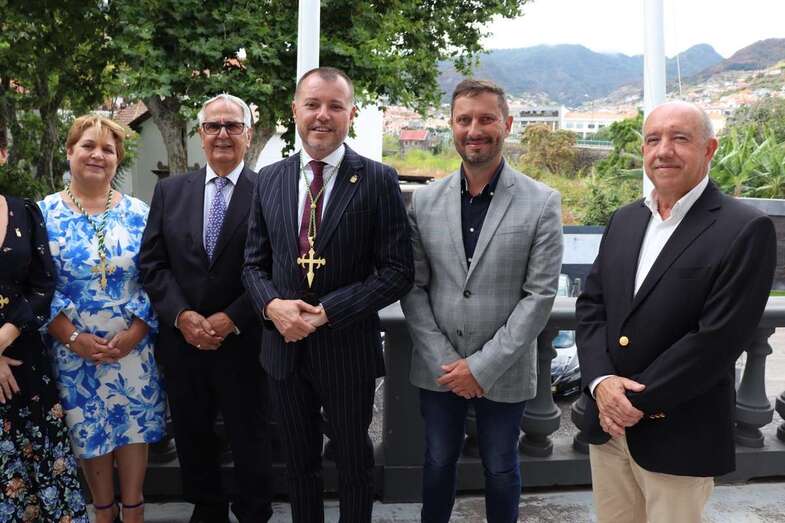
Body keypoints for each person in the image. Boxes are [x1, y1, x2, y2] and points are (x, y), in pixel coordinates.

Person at [575, 101, 777, 523]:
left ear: (709, 149)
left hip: (679, 433)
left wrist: (629, 402)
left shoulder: (744, 228)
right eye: (653, 139)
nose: (663, 150)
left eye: (680, 138)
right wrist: (601, 383)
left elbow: (717, 339)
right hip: (609, 429)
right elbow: (592, 306)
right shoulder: (624, 220)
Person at [242, 66, 413, 523]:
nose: (323, 115)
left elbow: (398, 271)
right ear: (295, 110)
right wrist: (272, 306)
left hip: (347, 351)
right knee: (298, 465)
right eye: (312, 104)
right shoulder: (269, 178)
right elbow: (253, 264)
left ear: (350, 115)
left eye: (335, 106)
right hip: (283, 350)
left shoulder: (377, 179)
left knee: (354, 464)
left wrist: (326, 312)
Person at [400, 79, 563, 523]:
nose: (475, 130)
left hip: (504, 369)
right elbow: (413, 287)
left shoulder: (542, 202)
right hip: (439, 368)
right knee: (437, 461)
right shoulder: (423, 202)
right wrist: (448, 361)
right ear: (451, 126)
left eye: (486, 119)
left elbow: (540, 295)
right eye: (464, 120)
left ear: (506, 125)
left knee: (501, 466)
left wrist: (482, 366)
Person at [139, 94, 273, 523]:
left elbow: (278, 268)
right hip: (184, 343)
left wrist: (233, 317)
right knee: (192, 434)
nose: (222, 134)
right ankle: (208, 508)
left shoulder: (270, 192)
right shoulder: (169, 191)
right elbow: (153, 264)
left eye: (232, 126)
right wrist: (182, 316)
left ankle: (254, 511)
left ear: (248, 134)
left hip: (246, 342)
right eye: (213, 126)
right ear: (200, 134)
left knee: (251, 437)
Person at [39, 115, 166, 523]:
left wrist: (137, 331)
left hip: (132, 349)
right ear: (69, 152)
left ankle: (134, 512)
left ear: (118, 159)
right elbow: (36, 284)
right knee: (89, 431)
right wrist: (72, 336)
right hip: (74, 352)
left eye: (107, 149)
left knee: (133, 430)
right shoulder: (42, 215)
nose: (97, 155)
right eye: (88, 146)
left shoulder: (141, 213)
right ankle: (104, 514)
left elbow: (158, 276)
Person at [0, 129, 89, 522]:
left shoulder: (24, 211)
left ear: (3, 154)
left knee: (48, 479)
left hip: (28, 365)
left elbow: (42, 284)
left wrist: (7, 334)